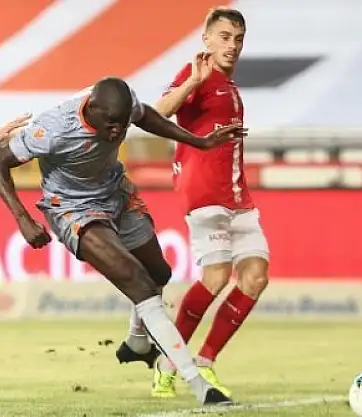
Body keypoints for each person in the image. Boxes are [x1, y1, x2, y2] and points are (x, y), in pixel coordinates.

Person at [0, 77, 245, 406]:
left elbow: (146, 116)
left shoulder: (123, 103)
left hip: (116, 193)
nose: (117, 131)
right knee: (138, 282)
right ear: (92, 109)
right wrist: (22, 218)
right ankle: (200, 386)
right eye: (111, 124)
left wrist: (197, 142)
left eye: (122, 123)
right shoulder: (53, 130)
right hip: (73, 209)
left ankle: (137, 342)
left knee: (158, 274)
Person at [116, 7, 268, 399]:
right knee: (216, 276)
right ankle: (168, 363)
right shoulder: (196, 73)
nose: (232, 46)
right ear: (206, 39)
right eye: (224, 37)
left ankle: (204, 361)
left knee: (255, 276)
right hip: (204, 193)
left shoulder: (230, 87)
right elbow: (156, 113)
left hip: (238, 195)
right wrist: (191, 83)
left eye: (238, 39)